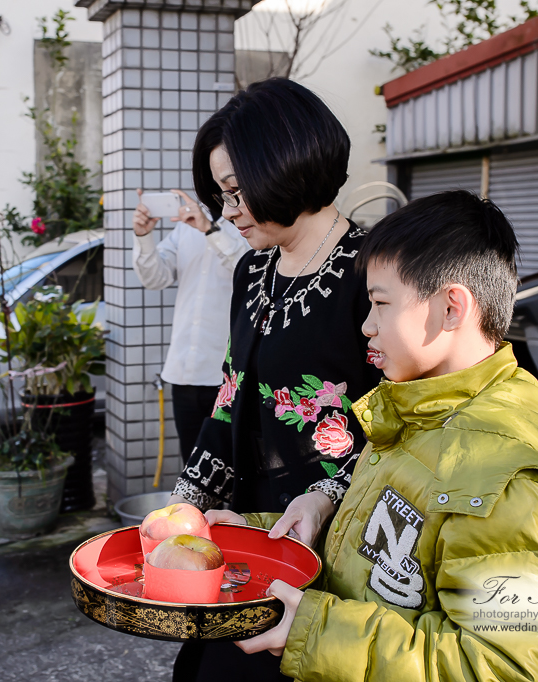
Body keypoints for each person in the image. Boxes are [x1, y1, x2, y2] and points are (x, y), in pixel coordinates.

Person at [221, 190, 538, 682]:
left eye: (380, 304)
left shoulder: (513, 476)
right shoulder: (421, 411)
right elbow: (382, 553)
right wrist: (250, 533)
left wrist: (314, 630)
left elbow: (513, 668)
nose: (367, 326)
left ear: (451, 308)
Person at [167, 78, 383, 682]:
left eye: (237, 192)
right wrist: (187, 503)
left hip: (338, 534)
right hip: (256, 525)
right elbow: (233, 394)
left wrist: (328, 496)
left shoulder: (376, 271)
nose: (227, 211)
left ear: (287, 166)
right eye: (221, 195)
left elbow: (406, 422)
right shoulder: (251, 269)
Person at [132, 188, 249, 462]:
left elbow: (248, 270)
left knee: (233, 466)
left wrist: (210, 229)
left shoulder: (248, 224)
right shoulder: (185, 228)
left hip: (229, 375)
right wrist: (143, 235)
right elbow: (154, 278)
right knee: (192, 465)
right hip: (183, 371)